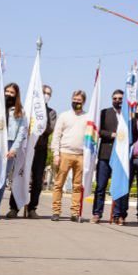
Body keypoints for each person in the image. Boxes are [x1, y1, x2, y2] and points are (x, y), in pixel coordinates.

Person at [8, 83, 57, 218]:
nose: (45, 95)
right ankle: (14, 207)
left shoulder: (51, 113)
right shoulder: (27, 109)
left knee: (37, 180)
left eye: (48, 94)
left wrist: (37, 125)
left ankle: (32, 208)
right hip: (24, 148)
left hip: (40, 149)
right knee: (19, 175)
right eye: (43, 93)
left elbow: (49, 129)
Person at [0, 82, 26, 219]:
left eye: (12, 92)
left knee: (1, 178)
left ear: (16, 95)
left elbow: (21, 132)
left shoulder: (20, 111)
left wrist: (14, 149)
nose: (8, 94)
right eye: (7, 91)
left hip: (10, 145)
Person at [51, 90, 87, 222]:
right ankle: (56, 211)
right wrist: (56, 154)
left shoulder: (87, 117)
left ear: (83, 102)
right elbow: (56, 135)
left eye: (79, 100)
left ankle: (75, 212)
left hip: (81, 155)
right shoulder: (64, 116)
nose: (76, 102)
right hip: (64, 153)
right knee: (58, 184)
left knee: (77, 186)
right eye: (75, 100)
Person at [91, 89, 123, 224]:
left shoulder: (128, 115)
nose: (117, 100)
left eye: (120, 98)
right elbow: (98, 131)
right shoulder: (104, 113)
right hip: (105, 155)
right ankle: (97, 213)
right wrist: (111, 135)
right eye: (115, 98)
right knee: (101, 186)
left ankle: (117, 215)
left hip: (120, 157)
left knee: (118, 187)